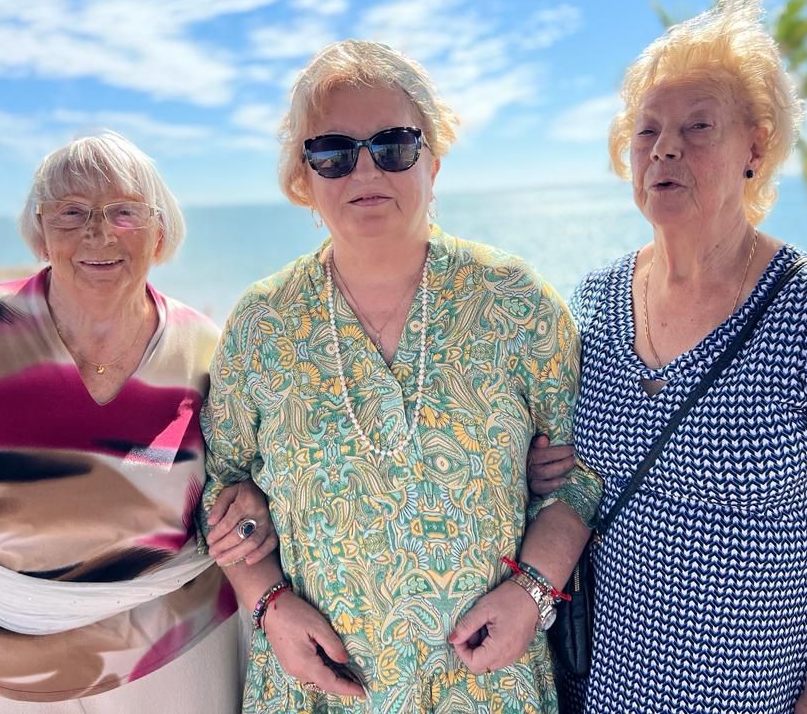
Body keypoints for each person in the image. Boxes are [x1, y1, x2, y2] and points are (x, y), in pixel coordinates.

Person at [529, 0, 807, 714]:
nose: (665, 148)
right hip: (596, 691)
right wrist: (541, 466)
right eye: (647, 130)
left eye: (698, 126)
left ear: (755, 149)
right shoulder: (595, 300)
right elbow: (577, 471)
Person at [199, 39, 603, 713]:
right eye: (333, 152)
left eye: (393, 145)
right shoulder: (261, 324)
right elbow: (224, 483)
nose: (365, 169)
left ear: (433, 161)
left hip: (485, 685)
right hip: (317, 685)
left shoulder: (515, 303)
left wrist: (533, 591)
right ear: (303, 178)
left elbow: (583, 472)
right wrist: (268, 603)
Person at [0, 132, 274, 713]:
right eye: (71, 212)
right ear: (40, 232)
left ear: (159, 232)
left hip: (174, 659)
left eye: (124, 212)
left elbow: (237, 479)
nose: (99, 233)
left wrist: (252, 507)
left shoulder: (204, 349)